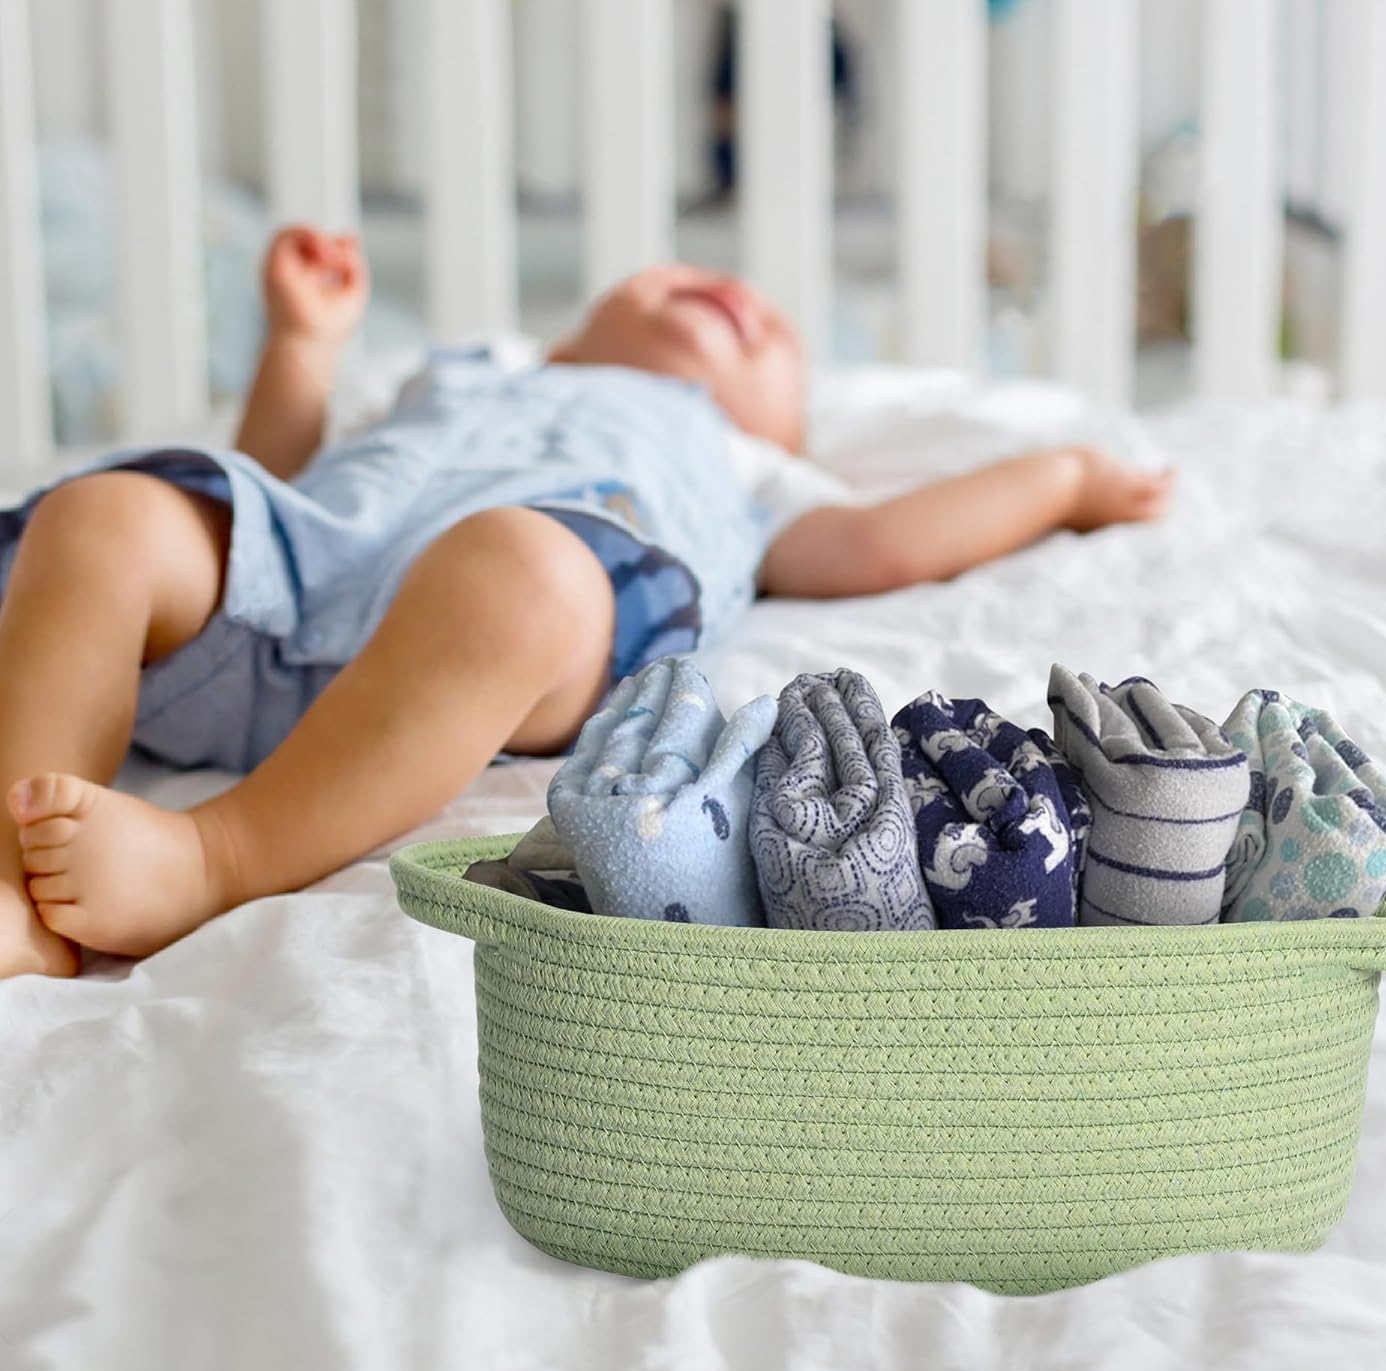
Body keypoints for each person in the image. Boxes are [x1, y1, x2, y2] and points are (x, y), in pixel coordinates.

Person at [0, 226, 1171, 979]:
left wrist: (1060, 479)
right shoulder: (467, 372)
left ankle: (214, 853)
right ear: (571, 334)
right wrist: (304, 350)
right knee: (109, 513)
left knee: (515, 564)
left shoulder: (742, 468)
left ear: (786, 431)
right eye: (679, 278)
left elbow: (878, 543)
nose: (735, 299)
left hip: (489, 650)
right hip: (297, 577)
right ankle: (22, 884)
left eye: (771, 342)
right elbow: (281, 480)